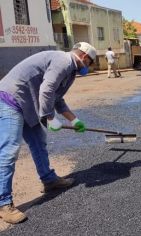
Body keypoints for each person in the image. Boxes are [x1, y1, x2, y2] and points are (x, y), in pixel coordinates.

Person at [0, 42, 96, 224]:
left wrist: (74, 120)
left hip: (27, 104)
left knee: (38, 143)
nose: (89, 68)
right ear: (84, 57)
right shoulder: (64, 61)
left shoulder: (70, 71)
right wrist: (49, 118)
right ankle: (3, 204)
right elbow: (47, 90)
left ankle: (49, 180)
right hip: (10, 99)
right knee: (9, 151)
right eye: (90, 63)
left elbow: (57, 98)